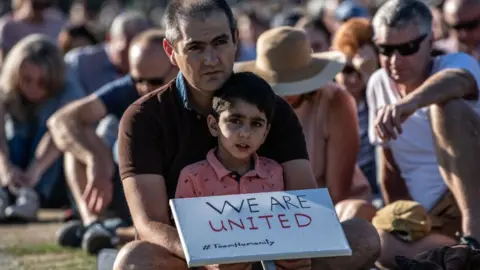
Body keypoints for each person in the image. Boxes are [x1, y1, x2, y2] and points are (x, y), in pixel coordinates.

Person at [113, 1, 380, 269]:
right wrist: (208, 253)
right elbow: (150, 224)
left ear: (235, 40)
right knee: (134, 260)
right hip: (192, 259)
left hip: (275, 255)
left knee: (364, 236)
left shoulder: (275, 109)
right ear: (171, 51)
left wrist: (299, 246)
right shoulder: (144, 118)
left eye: (219, 42)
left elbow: (305, 200)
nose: (211, 59)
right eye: (195, 47)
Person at [367, 0, 480, 268]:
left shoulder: (455, 61)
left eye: (407, 49)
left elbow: (459, 80)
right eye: (385, 49)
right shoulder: (378, 83)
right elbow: (389, 167)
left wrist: (410, 104)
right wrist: (399, 218)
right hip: (431, 219)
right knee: (377, 244)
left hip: (473, 203)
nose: (395, 61)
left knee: (446, 108)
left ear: (430, 42)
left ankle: (473, 239)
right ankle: (457, 253)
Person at [48, 29, 177, 255]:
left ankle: (114, 233)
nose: (144, 88)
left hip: (169, 195)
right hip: (129, 189)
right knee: (77, 143)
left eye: (154, 81)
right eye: (138, 80)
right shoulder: (130, 88)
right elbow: (61, 121)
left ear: (176, 64)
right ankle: (93, 224)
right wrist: (95, 158)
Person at [0, 34, 83, 221]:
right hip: (13, 166)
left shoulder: (68, 90)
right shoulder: (6, 90)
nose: (33, 89)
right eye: (26, 79)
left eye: (42, 82)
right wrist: (5, 167)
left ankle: (29, 196)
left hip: (47, 175)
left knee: (55, 125)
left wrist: (32, 175)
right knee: (13, 130)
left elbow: (57, 134)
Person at [176, 72, 283, 198]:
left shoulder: (273, 172)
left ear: (265, 133)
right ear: (214, 125)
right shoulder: (193, 177)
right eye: (235, 121)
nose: (245, 133)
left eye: (256, 124)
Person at [331, 18, 380, 198]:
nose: (353, 79)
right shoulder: (328, 103)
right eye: (347, 69)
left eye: (360, 71)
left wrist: (371, 75)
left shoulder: (384, 96)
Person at [0, 0, 65, 65]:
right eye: (35, 4)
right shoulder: (9, 26)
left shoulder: (58, 23)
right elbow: (4, 63)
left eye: (46, 4)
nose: (40, 10)